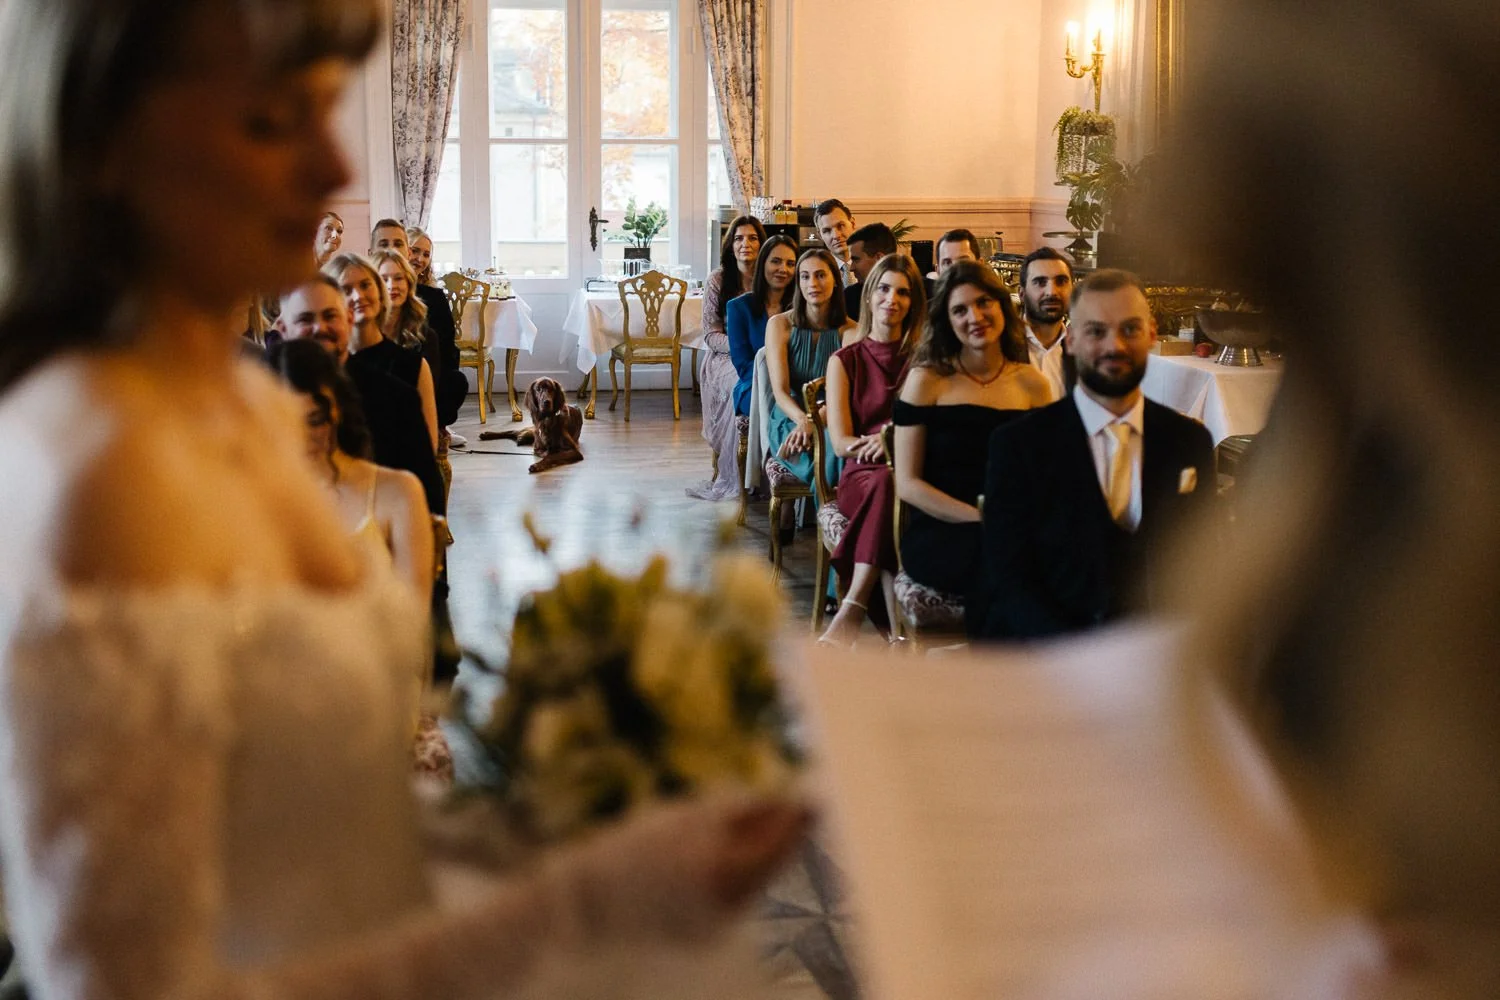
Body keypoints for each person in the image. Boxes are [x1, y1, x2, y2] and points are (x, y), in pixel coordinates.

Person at [0, 3, 806, 1000]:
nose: (335, 167)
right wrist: (571, 912)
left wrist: (580, 851)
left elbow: (324, 831)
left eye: (324, 111)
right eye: (269, 121)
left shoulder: (243, 403)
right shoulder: (99, 477)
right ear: (104, 154)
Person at [971, 269, 1214, 641]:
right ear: (1071, 341)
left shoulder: (1188, 442)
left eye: (1129, 329)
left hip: (1159, 662)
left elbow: (1203, 567)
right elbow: (1008, 578)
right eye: (1096, 331)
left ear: (1151, 335)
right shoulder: (1019, 445)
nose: (1114, 346)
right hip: (1049, 658)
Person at [892, 261, 1053, 611]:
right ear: (947, 321)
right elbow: (907, 483)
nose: (974, 317)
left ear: (1002, 305)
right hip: (943, 531)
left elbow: (1047, 475)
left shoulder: (1032, 383)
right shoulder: (927, 380)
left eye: (983, 303)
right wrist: (981, 518)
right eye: (959, 310)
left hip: (1013, 526)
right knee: (1006, 569)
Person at [818, 254, 927, 646]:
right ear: (868, 296)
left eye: (902, 292)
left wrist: (894, 443)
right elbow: (842, 442)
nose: (891, 299)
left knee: (893, 483)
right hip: (860, 474)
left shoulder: (924, 362)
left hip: (912, 471)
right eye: (883, 288)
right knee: (884, 482)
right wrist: (879, 448)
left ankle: (862, 612)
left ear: (913, 302)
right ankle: (865, 613)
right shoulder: (844, 360)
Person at [278, 275, 446, 518]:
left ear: (347, 318)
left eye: (329, 316)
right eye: (306, 319)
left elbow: (427, 495)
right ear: (283, 329)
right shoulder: (262, 397)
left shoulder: (396, 398)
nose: (319, 328)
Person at [764, 249, 856, 541]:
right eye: (804, 276)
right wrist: (803, 420)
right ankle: (837, 539)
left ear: (835, 281)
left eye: (820, 275)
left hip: (831, 413)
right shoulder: (780, 325)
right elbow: (779, 390)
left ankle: (833, 540)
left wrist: (816, 420)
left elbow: (847, 391)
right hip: (788, 413)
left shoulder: (851, 331)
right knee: (823, 456)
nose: (812, 283)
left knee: (830, 451)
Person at [326, 251, 440, 453]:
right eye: (346, 289)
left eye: (365, 285)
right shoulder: (327, 366)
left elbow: (428, 447)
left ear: (378, 292)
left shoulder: (413, 365)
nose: (358, 296)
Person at [687, 215, 765, 502]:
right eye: (739, 238)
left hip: (764, 354)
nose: (746, 244)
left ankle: (768, 469)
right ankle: (737, 475)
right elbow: (710, 335)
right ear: (730, 245)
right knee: (741, 381)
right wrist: (744, 348)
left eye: (753, 237)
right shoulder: (718, 280)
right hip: (725, 356)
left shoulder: (769, 276)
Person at [371, 219, 465, 436]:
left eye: (426, 254)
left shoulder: (434, 299)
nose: (420, 259)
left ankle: (434, 425)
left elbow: (447, 348)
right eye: (416, 251)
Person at [726, 234, 798, 418]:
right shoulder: (738, 307)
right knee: (782, 406)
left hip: (797, 384)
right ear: (763, 263)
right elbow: (743, 364)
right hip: (755, 385)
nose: (783, 269)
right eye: (776, 261)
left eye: (790, 264)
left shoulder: (801, 309)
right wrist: (780, 383)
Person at [1018, 247, 1074, 398]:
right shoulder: (1001, 345)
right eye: (1040, 282)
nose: (1052, 292)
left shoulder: (1081, 351)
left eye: (1061, 281)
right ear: (1022, 294)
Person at [842, 222, 897, 322]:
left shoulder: (920, 295)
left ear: (879, 259)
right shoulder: (849, 298)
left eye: (856, 259)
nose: (851, 268)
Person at [814, 198, 857, 287]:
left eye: (840, 226)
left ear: (852, 224)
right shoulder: (816, 275)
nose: (836, 236)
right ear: (820, 235)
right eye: (827, 230)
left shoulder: (873, 267)